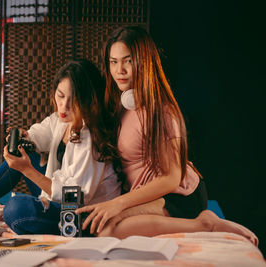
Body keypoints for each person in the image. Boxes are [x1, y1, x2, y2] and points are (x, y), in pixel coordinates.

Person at [76, 26, 258, 246]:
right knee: (99, 227)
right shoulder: (123, 105)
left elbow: (172, 178)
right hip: (149, 196)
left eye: (128, 61)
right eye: (113, 62)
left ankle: (205, 223)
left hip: (177, 196)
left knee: (107, 232)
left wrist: (119, 204)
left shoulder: (161, 112)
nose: (119, 70)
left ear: (144, 62)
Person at [0, 59, 121, 235]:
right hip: (58, 199)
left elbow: (73, 198)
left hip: (80, 216)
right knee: (21, 154)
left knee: (16, 209)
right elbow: (39, 133)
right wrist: (22, 136)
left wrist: (27, 170)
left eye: (73, 100)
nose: (64, 106)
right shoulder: (61, 121)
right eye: (60, 95)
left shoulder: (89, 137)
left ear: (88, 100)